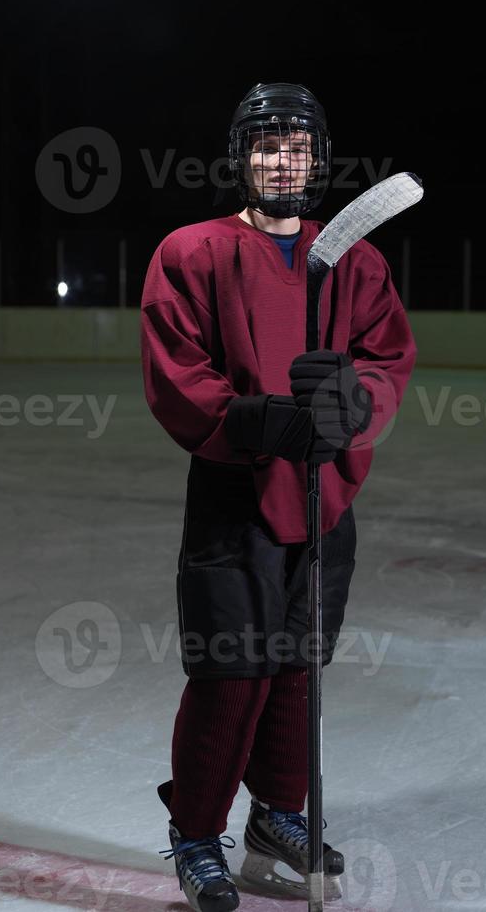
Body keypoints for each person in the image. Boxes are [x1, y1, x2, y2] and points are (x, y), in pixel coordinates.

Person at [140, 81, 417, 912]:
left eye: (296, 148)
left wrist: (351, 403)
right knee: (232, 673)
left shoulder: (354, 261)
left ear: (319, 160)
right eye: (266, 147)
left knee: (299, 667)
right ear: (241, 159)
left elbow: (384, 357)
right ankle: (196, 833)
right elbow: (175, 368)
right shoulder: (192, 251)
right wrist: (251, 419)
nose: (281, 161)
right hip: (235, 499)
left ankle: (276, 816)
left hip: (325, 499)